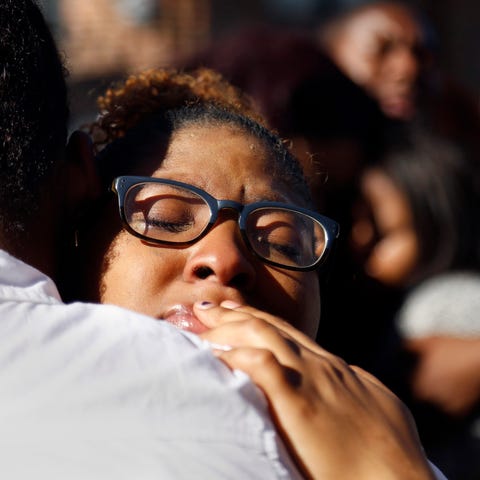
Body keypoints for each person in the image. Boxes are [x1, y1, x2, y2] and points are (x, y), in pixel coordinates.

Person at [0, 1, 445, 478]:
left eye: (283, 244)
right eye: (168, 219)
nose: (226, 258)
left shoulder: (369, 426)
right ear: (76, 231)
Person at [349, 129, 480, 479]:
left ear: (438, 229)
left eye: (383, 232)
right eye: (357, 220)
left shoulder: (442, 303)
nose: (359, 238)